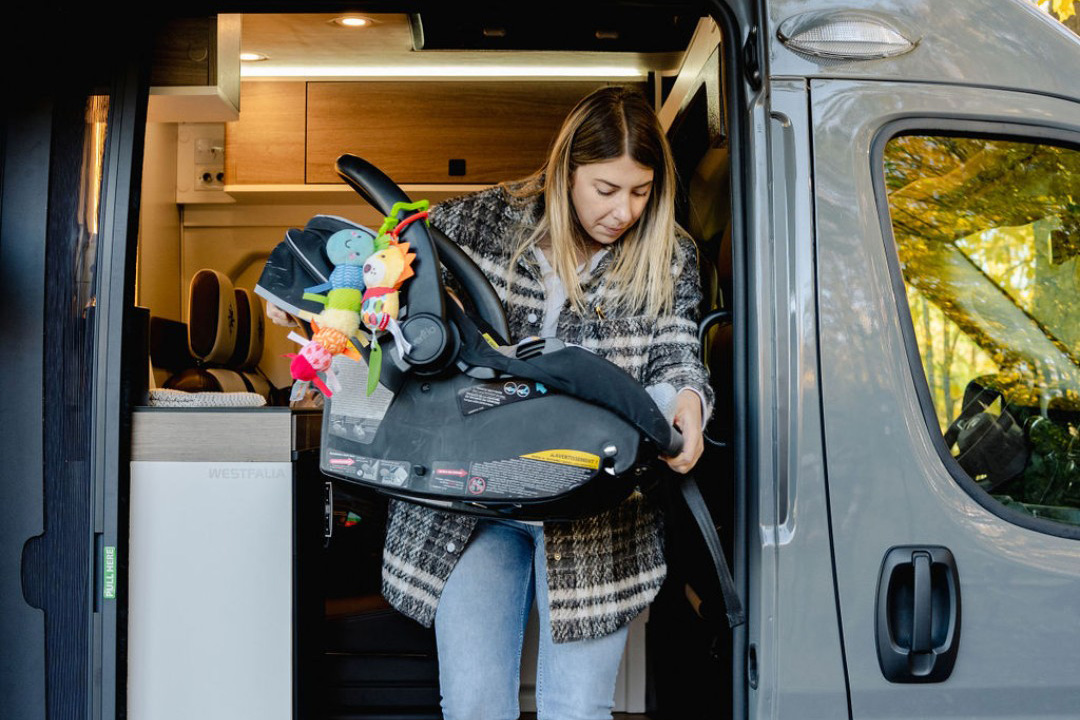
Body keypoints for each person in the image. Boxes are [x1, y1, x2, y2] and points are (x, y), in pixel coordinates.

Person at [270, 85, 712, 720]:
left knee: (577, 709)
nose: (624, 211)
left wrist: (685, 403)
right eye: (606, 190)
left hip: (597, 502)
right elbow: (379, 273)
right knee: (475, 705)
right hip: (472, 495)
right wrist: (311, 309)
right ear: (567, 172)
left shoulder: (669, 254)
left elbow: (674, 350)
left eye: (640, 192)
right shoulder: (480, 222)